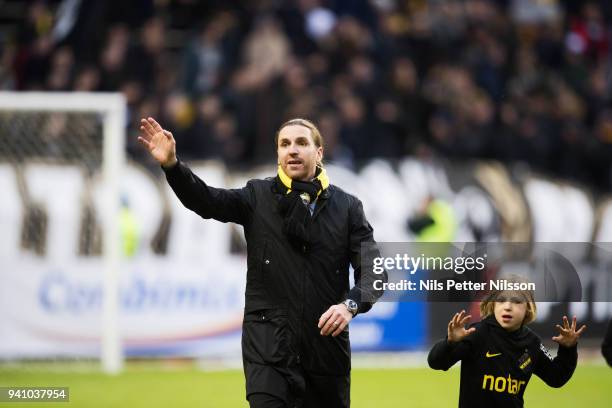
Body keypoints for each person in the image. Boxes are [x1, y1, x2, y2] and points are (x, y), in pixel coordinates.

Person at [138, 116, 385, 407]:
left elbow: (375, 272)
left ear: (319, 153)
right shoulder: (257, 196)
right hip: (268, 351)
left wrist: (350, 305)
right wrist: (172, 167)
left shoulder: (348, 207)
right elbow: (206, 200)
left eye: (301, 143)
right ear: (278, 154)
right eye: (285, 144)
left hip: (325, 353)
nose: (292, 150)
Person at [428, 282, 586, 408]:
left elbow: (556, 378)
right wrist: (449, 343)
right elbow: (436, 362)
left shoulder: (532, 342)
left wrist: (568, 349)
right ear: (493, 305)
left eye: (517, 301)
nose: (508, 307)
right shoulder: (477, 333)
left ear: (528, 309)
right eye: (501, 300)